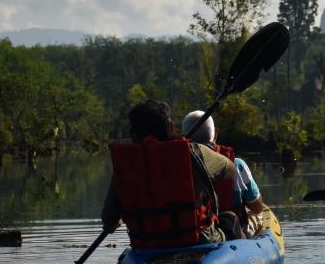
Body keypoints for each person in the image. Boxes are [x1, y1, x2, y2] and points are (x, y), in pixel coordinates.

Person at [101, 99, 237, 246]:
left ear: (133, 133)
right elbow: (230, 169)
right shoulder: (194, 152)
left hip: (146, 244)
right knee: (230, 219)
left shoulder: (126, 166)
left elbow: (109, 222)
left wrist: (122, 217)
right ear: (171, 127)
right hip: (196, 240)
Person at [182, 110, 266, 237]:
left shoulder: (180, 167)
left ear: (185, 137)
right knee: (257, 216)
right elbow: (257, 207)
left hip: (199, 233)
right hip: (232, 231)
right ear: (216, 133)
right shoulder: (237, 164)